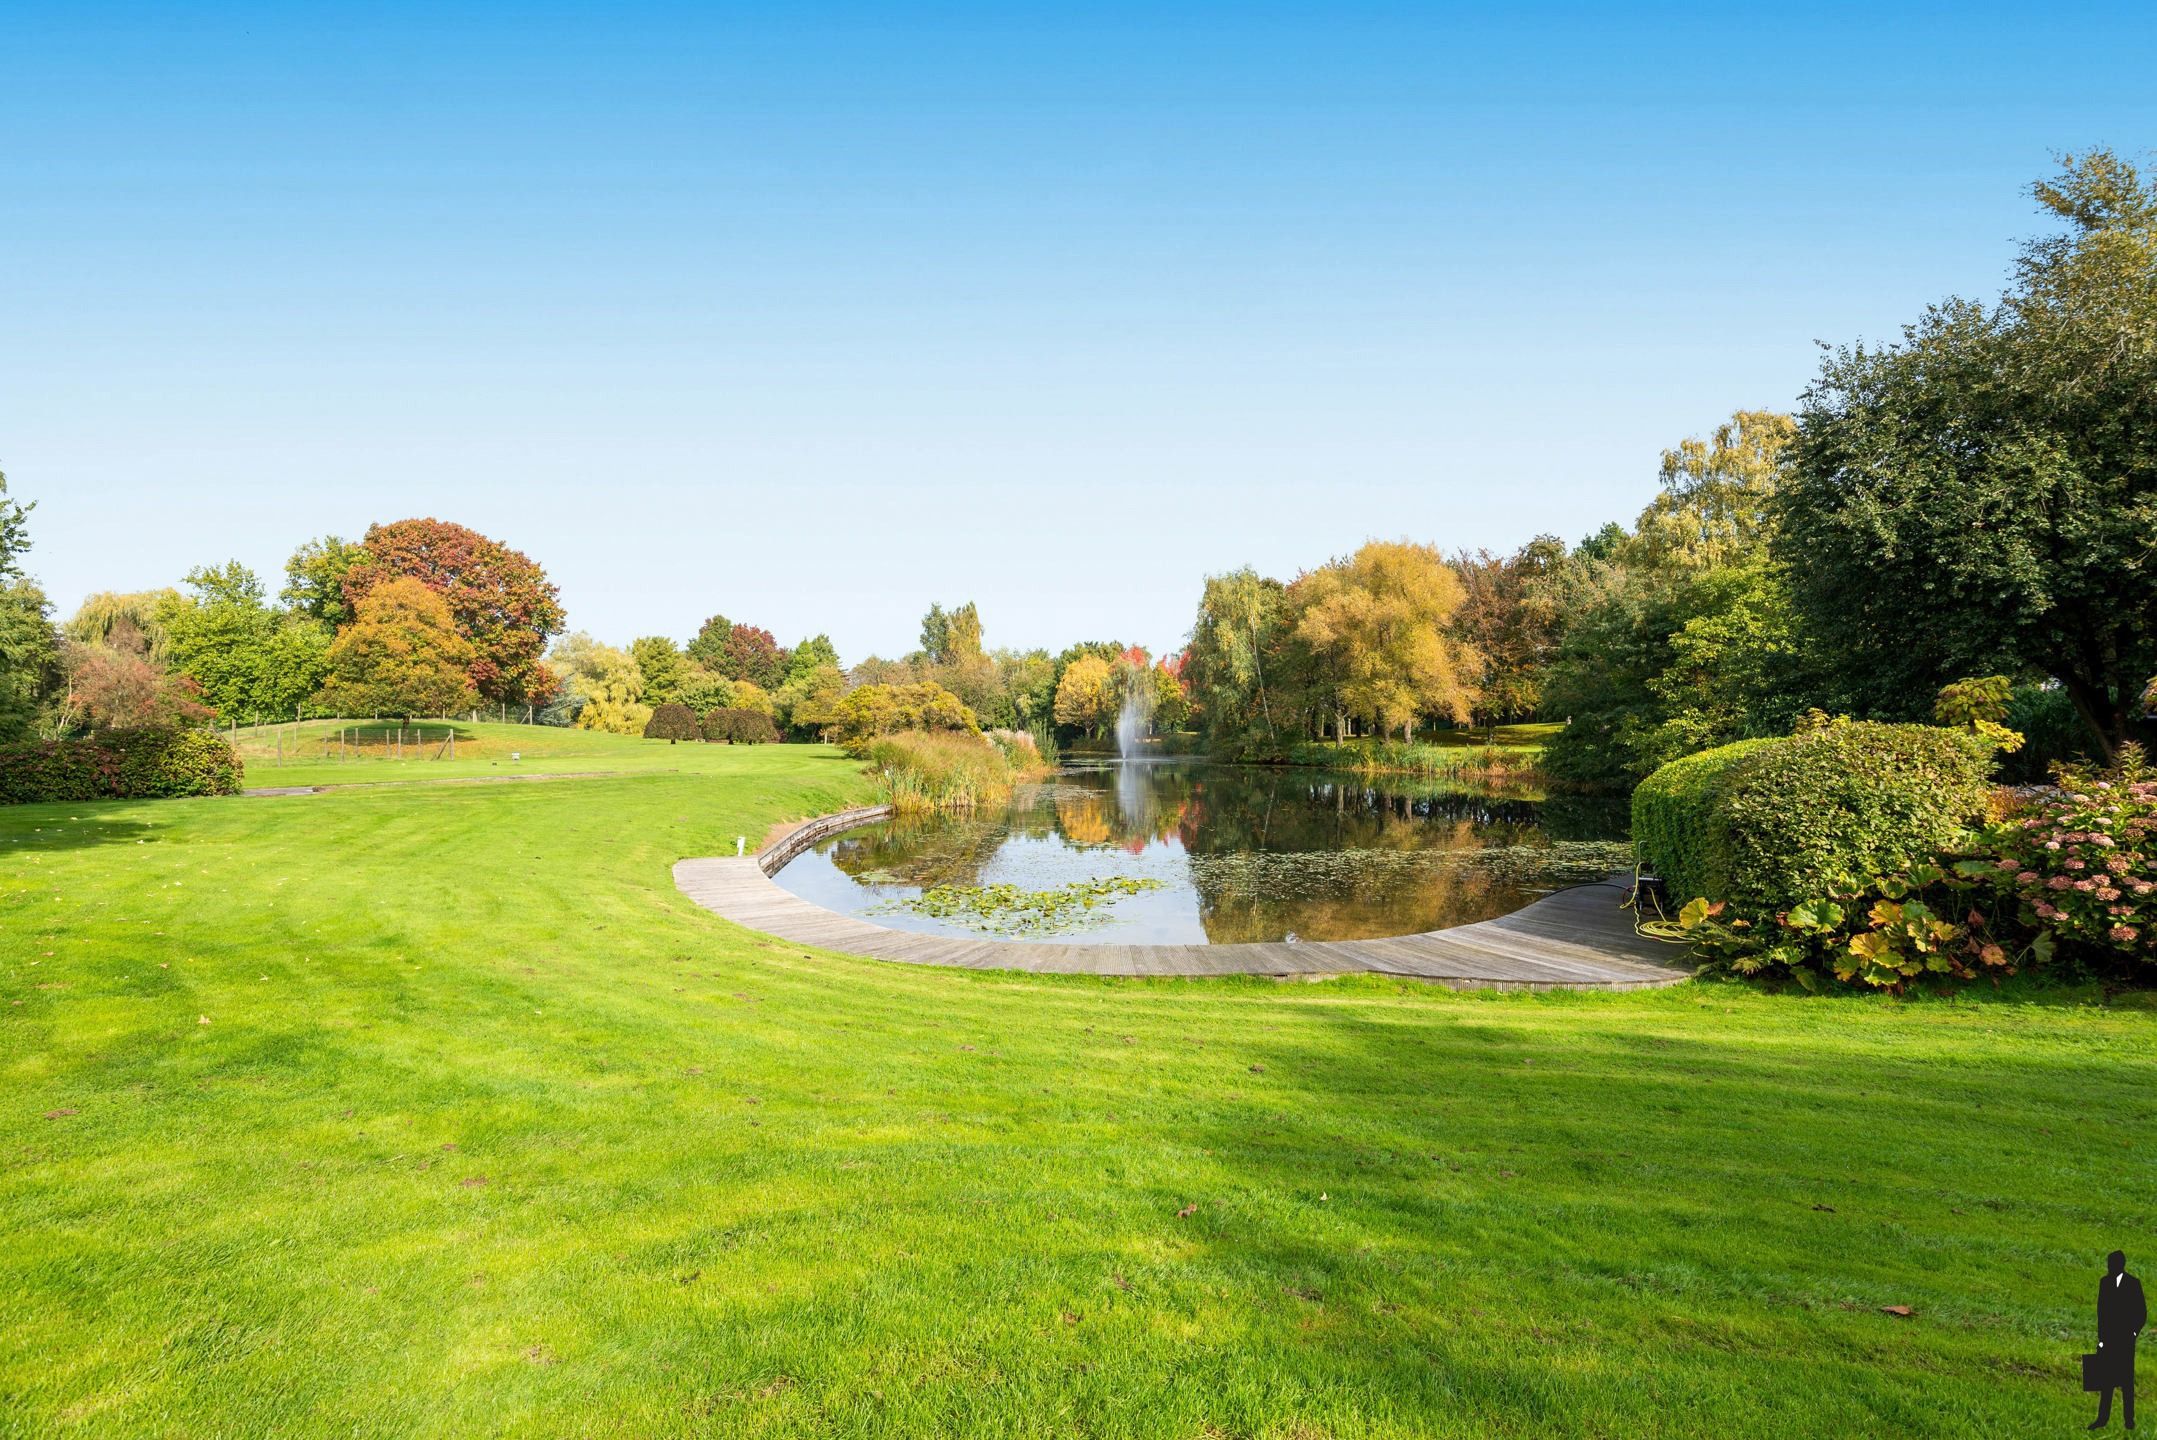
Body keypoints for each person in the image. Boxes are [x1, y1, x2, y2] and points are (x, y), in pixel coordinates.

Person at [2094, 1250, 2146, 1430]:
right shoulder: (2104, 1282)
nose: (2109, 1267)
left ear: (2120, 1265)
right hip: (2108, 1340)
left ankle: (2129, 1420)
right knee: (2106, 1381)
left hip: (2125, 1341)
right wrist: (2101, 1339)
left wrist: (2132, 1333)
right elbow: (2101, 1313)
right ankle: (2102, 1418)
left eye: (2112, 1264)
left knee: (2126, 1381)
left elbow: (2141, 1313)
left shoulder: (2133, 1284)